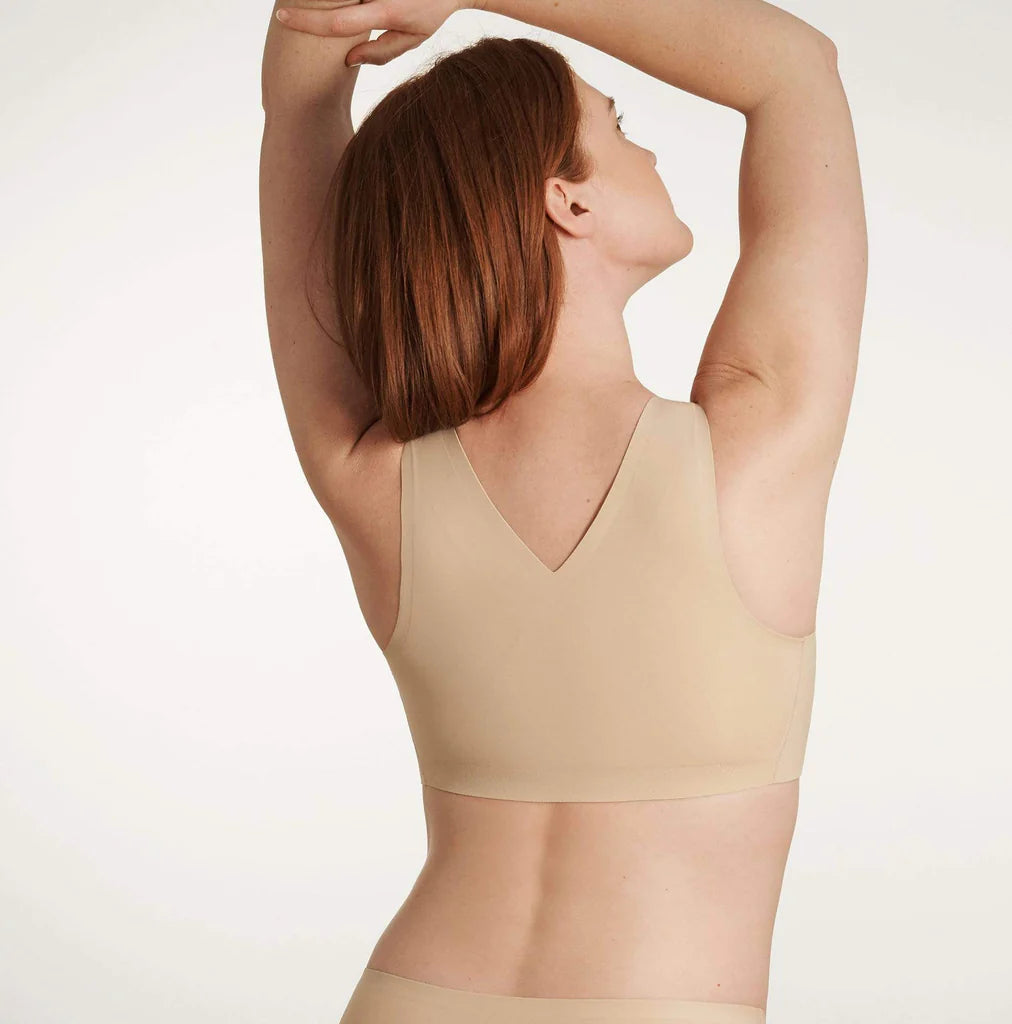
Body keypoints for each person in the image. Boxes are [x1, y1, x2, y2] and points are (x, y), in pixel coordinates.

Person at [259, 0, 866, 1020]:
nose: (648, 149)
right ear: (567, 200)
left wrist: (304, 68)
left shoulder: (374, 479)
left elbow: (298, 119)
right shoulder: (753, 451)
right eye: (618, 126)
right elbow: (793, 68)